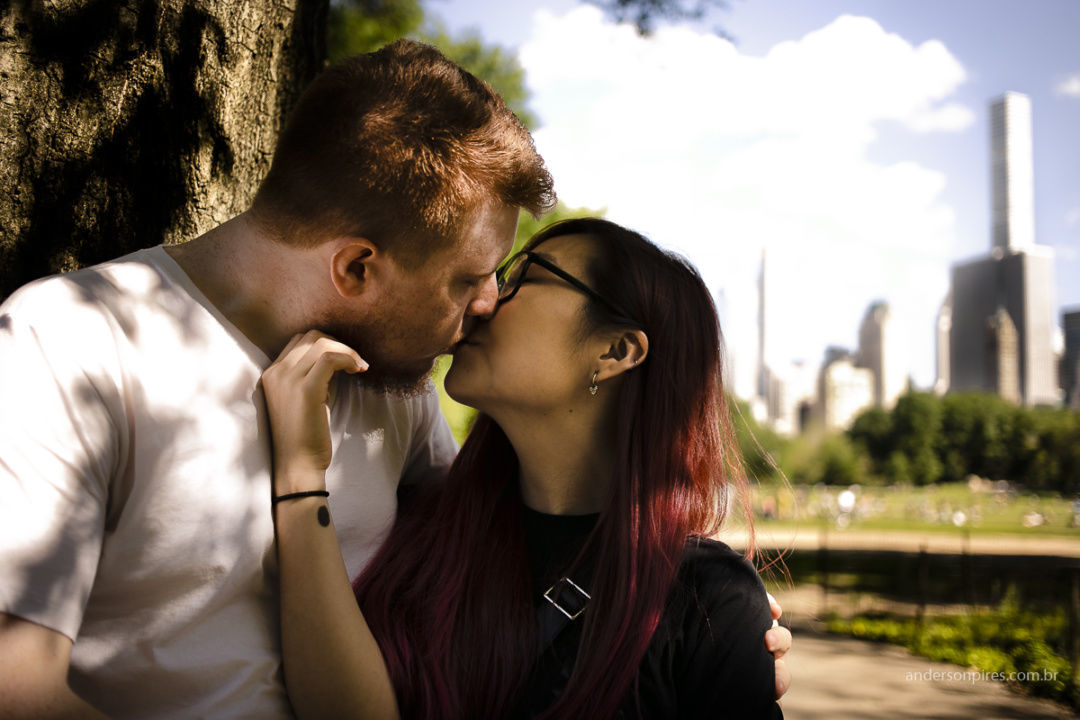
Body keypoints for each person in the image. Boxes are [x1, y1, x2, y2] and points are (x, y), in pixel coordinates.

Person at [0, 40, 789, 718]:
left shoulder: (398, 387)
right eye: (470, 280)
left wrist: (693, 623)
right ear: (357, 267)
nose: (485, 306)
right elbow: (15, 689)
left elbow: (516, 545)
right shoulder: (70, 345)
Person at [263, 218, 785, 718]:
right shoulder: (425, 534)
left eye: (525, 277)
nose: (483, 300)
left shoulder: (705, 601)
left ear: (616, 350)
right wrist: (301, 477)